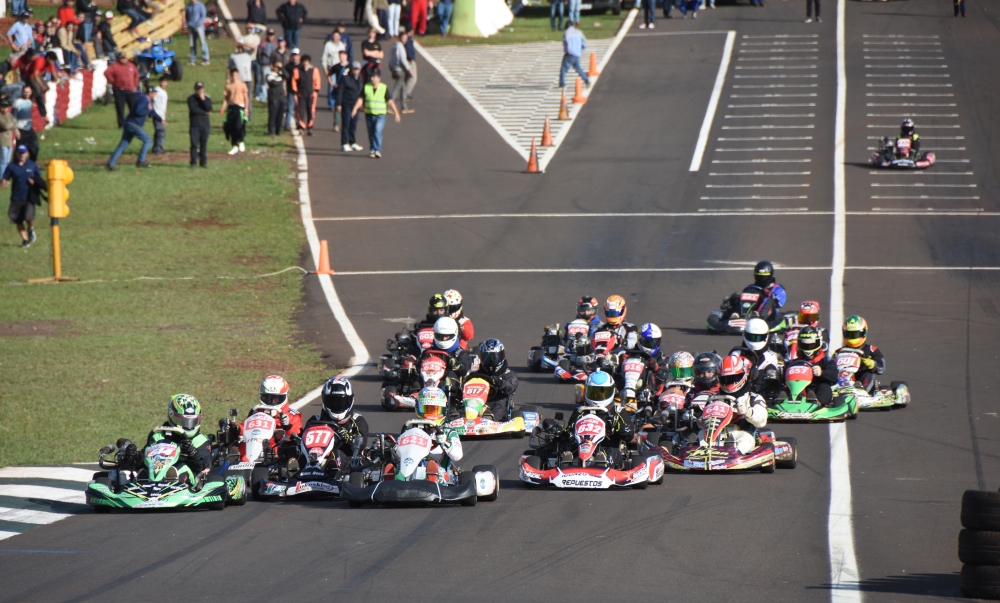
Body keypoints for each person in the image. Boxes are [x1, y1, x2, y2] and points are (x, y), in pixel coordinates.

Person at [304, 376, 370, 467]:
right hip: (314, 458)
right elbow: (303, 441)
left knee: (336, 454)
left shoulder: (357, 420)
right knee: (299, 457)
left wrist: (348, 439)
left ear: (350, 401)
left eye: (342, 402)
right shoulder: (315, 420)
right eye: (333, 402)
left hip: (348, 462)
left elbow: (361, 444)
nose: (338, 406)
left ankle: (332, 467)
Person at [143, 395, 213, 480]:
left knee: (181, 467)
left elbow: (206, 467)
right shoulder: (158, 436)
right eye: (183, 421)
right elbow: (145, 459)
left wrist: (193, 452)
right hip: (156, 472)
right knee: (142, 470)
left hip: (189, 482)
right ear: (171, 415)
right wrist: (134, 456)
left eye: (192, 421)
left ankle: (171, 478)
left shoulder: (200, 440)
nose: (188, 425)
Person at [713, 355, 768, 454]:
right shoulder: (714, 398)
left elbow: (762, 421)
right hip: (717, 435)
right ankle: (699, 454)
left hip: (741, 433)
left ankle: (732, 453)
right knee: (700, 434)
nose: (729, 382)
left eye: (733, 377)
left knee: (746, 439)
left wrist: (748, 412)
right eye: (725, 379)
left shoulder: (753, 398)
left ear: (743, 375)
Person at [107, 85, 158, 170]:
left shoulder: (149, 101)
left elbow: (151, 112)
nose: (156, 95)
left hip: (129, 123)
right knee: (148, 140)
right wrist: (148, 110)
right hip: (132, 124)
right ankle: (140, 161)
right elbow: (138, 111)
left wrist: (160, 119)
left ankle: (110, 164)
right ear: (150, 93)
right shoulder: (143, 99)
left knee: (123, 144)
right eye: (155, 93)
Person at [465, 339, 518, 420]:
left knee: (498, 406)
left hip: (497, 401)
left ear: (501, 357)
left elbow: (511, 387)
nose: (491, 361)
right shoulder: (475, 374)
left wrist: (499, 382)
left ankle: (490, 420)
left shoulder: (508, 374)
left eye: (494, 358)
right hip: (476, 401)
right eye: (487, 358)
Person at [352, 69, 399, 159]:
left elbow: (390, 101)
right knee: (371, 132)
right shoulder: (366, 87)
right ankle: (372, 149)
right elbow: (361, 99)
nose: (372, 79)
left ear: (379, 78)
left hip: (380, 114)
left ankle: (378, 149)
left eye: (374, 77)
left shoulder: (383, 88)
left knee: (377, 130)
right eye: (371, 77)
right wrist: (355, 108)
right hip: (369, 114)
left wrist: (396, 113)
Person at [2, 145, 42, 249]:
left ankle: (30, 228)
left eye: (23, 153)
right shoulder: (12, 166)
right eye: (20, 153)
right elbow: (5, 177)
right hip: (16, 197)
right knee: (17, 220)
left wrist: (34, 181)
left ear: (27, 153)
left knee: (29, 217)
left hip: (29, 196)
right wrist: (4, 183)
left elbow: (39, 178)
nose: (21, 155)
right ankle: (25, 240)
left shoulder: (32, 165)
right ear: (16, 154)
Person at [836, 315, 885, 393]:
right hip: (843, 379)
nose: (852, 337)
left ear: (863, 333)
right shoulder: (839, 351)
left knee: (868, 373)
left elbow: (881, 368)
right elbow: (829, 365)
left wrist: (872, 364)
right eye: (849, 334)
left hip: (861, 379)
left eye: (855, 334)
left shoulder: (871, 349)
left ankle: (861, 392)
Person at [796, 326, 838, 406]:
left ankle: (816, 403)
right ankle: (782, 402)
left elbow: (834, 376)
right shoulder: (794, 362)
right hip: (798, 389)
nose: (808, 348)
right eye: (805, 345)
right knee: (785, 387)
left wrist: (822, 373)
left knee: (825, 387)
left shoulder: (826, 361)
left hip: (816, 389)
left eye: (811, 345)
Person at [104, 53, 140, 128]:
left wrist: (135, 85)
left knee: (133, 107)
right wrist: (113, 81)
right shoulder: (115, 66)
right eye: (122, 58)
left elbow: (136, 75)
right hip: (119, 90)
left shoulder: (131, 65)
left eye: (125, 58)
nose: (124, 60)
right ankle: (121, 125)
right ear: (119, 59)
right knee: (120, 108)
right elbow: (107, 72)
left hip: (131, 90)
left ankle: (134, 123)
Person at [220, 67, 249, 154]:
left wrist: (246, 108)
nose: (234, 76)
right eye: (233, 75)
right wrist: (223, 108)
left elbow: (246, 97)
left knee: (239, 126)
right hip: (231, 107)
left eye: (236, 75)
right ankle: (234, 145)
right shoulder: (229, 86)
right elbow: (226, 99)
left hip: (240, 107)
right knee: (231, 127)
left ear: (238, 75)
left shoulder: (243, 85)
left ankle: (241, 141)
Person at [292, 53, 320, 135]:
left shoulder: (314, 70)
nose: (305, 64)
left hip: (311, 95)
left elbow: (317, 81)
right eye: (304, 62)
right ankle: (301, 127)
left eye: (307, 62)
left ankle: (310, 127)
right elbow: (293, 82)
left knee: (311, 111)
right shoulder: (297, 70)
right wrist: (295, 93)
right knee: (300, 111)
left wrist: (316, 91)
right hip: (301, 95)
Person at [337, 61, 363, 151]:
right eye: (355, 69)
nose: (356, 71)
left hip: (356, 105)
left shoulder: (360, 78)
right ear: (352, 69)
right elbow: (340, 91)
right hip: (346, 104)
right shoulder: (346, 78)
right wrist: (339, 104)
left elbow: (361, 91)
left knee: (353, 124)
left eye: (358, 69)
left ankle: (352, 142)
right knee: (346, 123)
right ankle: (344, 143)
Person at [388, 30, 414, 114]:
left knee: (403, 87)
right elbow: (402, 59)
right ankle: (389, 106)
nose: (405, 40)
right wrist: (409, 69)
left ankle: (404, 107)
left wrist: (392, 68)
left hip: (395, 69)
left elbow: (391, 59)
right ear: (400, 38)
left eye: (406, 38)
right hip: (399, 69)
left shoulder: (393, 46)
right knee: (397, 88)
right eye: (403, 38)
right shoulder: (400, 46)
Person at [187, 80, 211, 167]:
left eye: (201, 89)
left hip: (205, 124)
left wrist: (203, 99)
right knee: (194, 144)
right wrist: (205, 112)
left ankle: (203, 161)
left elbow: (209, 108)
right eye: (198, 89)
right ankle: (193, 161)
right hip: (195, 125)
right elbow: (194, 110)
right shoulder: (191, 99)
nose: (199, 91)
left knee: (203, 144)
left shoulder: (207, 98)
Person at [228, 43, 254, 121]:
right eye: (238, 47)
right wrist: (228, 79)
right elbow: (228, 67)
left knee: (248, 97)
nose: (239, 49)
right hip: (239, 80)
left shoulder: (248, 54)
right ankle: (239, 114)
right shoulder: (233, 56)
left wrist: (243, 43)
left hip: (247, 79)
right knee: (239, 97)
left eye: (241, 48)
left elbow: (254, 47)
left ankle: (249, 114)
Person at [560, 22, 589, 90]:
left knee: (564, 68)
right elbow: (584, 42)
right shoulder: (579, 32)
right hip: (577, 54)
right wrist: (582, 50)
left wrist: (566, 50)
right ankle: (587, 80)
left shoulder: (567, 32)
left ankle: (562, 83)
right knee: (578, 68)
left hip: (570, 53)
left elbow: (564, 42)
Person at [321, 31, 346, 106]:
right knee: (332, 86)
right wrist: (325, 68)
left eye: (337, 36)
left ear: (340, 37)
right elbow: (324, 57)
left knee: (341, 85)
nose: (336, 37)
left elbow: (344, 56)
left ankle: (339, 103)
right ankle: (331, 104)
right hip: (331, 67)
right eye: (334, 36)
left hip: (340, 67)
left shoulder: (342, 45)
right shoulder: (328, 45)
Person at [13, 87, 38, 162]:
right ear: (22, 92)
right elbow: (13, 117)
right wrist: (16, 130)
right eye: (25, 92)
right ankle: (16, 166)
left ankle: (31, 165)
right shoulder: (17, 102)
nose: (27, 94)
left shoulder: (30, 101)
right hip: (21, 129)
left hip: (29, 129)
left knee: (35, 148)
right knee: (19, 149)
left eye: (28, 92)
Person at [328, 50, 349, 130]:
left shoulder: (350, 66)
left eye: (343, 56)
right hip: (339, 89)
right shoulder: (336, 67)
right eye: (340, 56)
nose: (341, 57)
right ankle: (336, 124)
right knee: (337, 106)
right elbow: (329, 75)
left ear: (346, 56)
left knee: (346, 107)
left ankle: (346, 123)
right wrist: (332, 84)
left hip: (347, 90)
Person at [266, 60, 287, 136]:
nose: (276, 68)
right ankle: (271, 131)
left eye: (278, 67)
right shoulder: (269, 74)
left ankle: (278, 131)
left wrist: (282, 68)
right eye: (275, 66)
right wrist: (281, 82)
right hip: (273, 97)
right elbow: (273, 83)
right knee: (273, 115)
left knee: (280, 115)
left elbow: (287, 76)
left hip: (281, 97)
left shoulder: (281, 74)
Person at [255, 28, 277, 102]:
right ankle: (263, 97)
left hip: (274, 66)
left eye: (272, 35)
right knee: (264, 81)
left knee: (274, 81)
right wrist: (262, 63)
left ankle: (272, 96)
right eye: (269, 35)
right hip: (265, 65)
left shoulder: (275, 44)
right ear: (267, 35)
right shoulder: (262, 44)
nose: (271, 37)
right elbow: (259, 55)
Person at [186, 0, 209, 65]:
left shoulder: (200, 5)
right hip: (191, 26)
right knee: (192, 44)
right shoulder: (188, 6)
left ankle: (206, 59)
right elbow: (187, 16)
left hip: (199, 27)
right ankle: (193, 59)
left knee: (202, 42)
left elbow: (203, 16)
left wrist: (198, 23)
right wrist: (188, 23)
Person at [150, 76, 168, 156]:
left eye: (165, 82)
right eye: (162, 82)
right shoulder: (157, 91)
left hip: (161, 114)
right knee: (161, 132)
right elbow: (152, 99)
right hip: (157, 114)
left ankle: (156, 148)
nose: (163, 83)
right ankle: (158, 150)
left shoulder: (163, 92)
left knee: (158, 132)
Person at [0, 100, 18, 180]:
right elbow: (6, 126)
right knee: (3, 161)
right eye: (2, 107)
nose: (4, 109)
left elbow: (15, 124)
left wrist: (12, 125)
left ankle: (6, 177)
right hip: (2, 141)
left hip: (9, 141)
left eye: (6, 107)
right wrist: (12, 125)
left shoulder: (9, 115)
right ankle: (2, 177)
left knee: (7, 161)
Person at [284, 48, 301, 131]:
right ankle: (287, 124)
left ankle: (299, 123)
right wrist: (285, 89)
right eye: (293, 56)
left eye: (296, 56)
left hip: (300, 90)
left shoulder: (302, 66)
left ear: (299, 56)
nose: (295, 57)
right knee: (290, 107)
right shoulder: (288, 66)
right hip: (291, 89)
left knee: (299, 108)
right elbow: (284, 79)